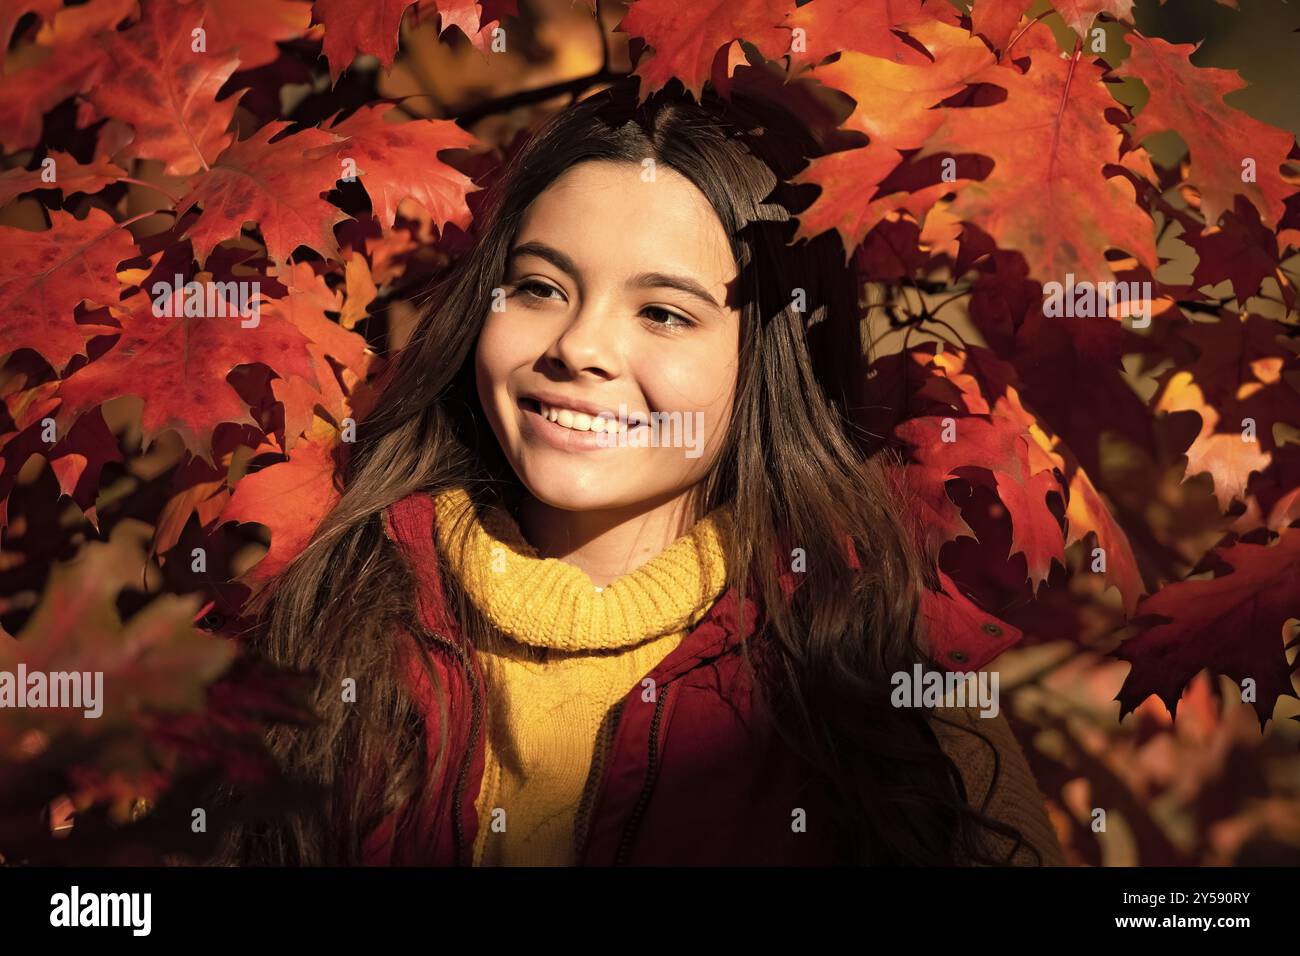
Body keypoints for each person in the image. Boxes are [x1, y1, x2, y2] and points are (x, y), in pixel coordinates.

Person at [213, 77, 1065, 867]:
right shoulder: (331, 622)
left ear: (772, 360)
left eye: (662, 312)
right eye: (541, 288)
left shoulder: (873, 678)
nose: (580, 347)